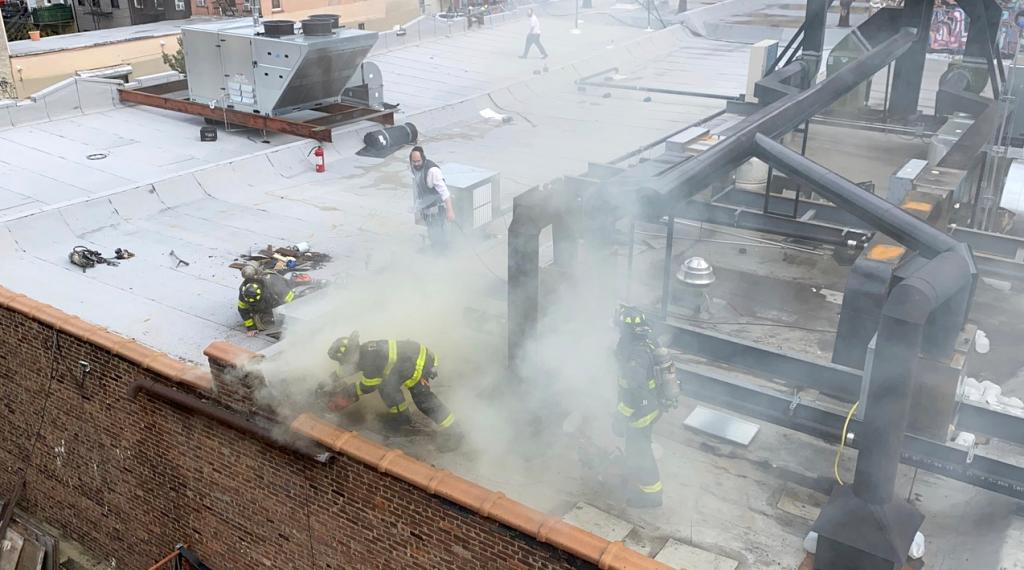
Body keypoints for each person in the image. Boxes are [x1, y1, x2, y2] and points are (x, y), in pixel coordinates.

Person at [318, 332, 464, 452]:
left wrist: (349, 391)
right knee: (387, 387)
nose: (344, 363)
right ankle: (402, 418)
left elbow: (369, 385)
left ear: (349, 355)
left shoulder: (369, 359)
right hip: (403, 364)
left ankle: (455, 431)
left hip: (418, 362)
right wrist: (326, 381)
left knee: (423, 399)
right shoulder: (361, 353)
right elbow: (346, 369)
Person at [613, 305, 679, 508]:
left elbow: (635, 393)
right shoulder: (647, 342)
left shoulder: (635, 356)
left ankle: (651, 495)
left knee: (639, 450)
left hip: (643, 411)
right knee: (637, 448)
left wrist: (620, 416)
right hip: (651, 405)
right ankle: (638, 478)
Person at [409, 146, 455, 253]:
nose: (416, 164)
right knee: (431, 230)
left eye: (418, 161)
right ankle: (436, 249)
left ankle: (442, 254)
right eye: (413, 161)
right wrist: (417, 206)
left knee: (438, 231)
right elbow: (419, 189)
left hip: (437, 208)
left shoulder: (433, 171)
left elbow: (444, 192)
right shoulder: (413, 168)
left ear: (423, 158)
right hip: (426, 207)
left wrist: (450, 211)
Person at [237, 264, 296, 336]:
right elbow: (242, 309)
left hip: (277, 299)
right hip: (267, 304)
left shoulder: (274, 285)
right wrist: (251, 328)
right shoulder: (243, 290)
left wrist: (289, 319)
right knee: (263, 324)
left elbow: (292, 300)